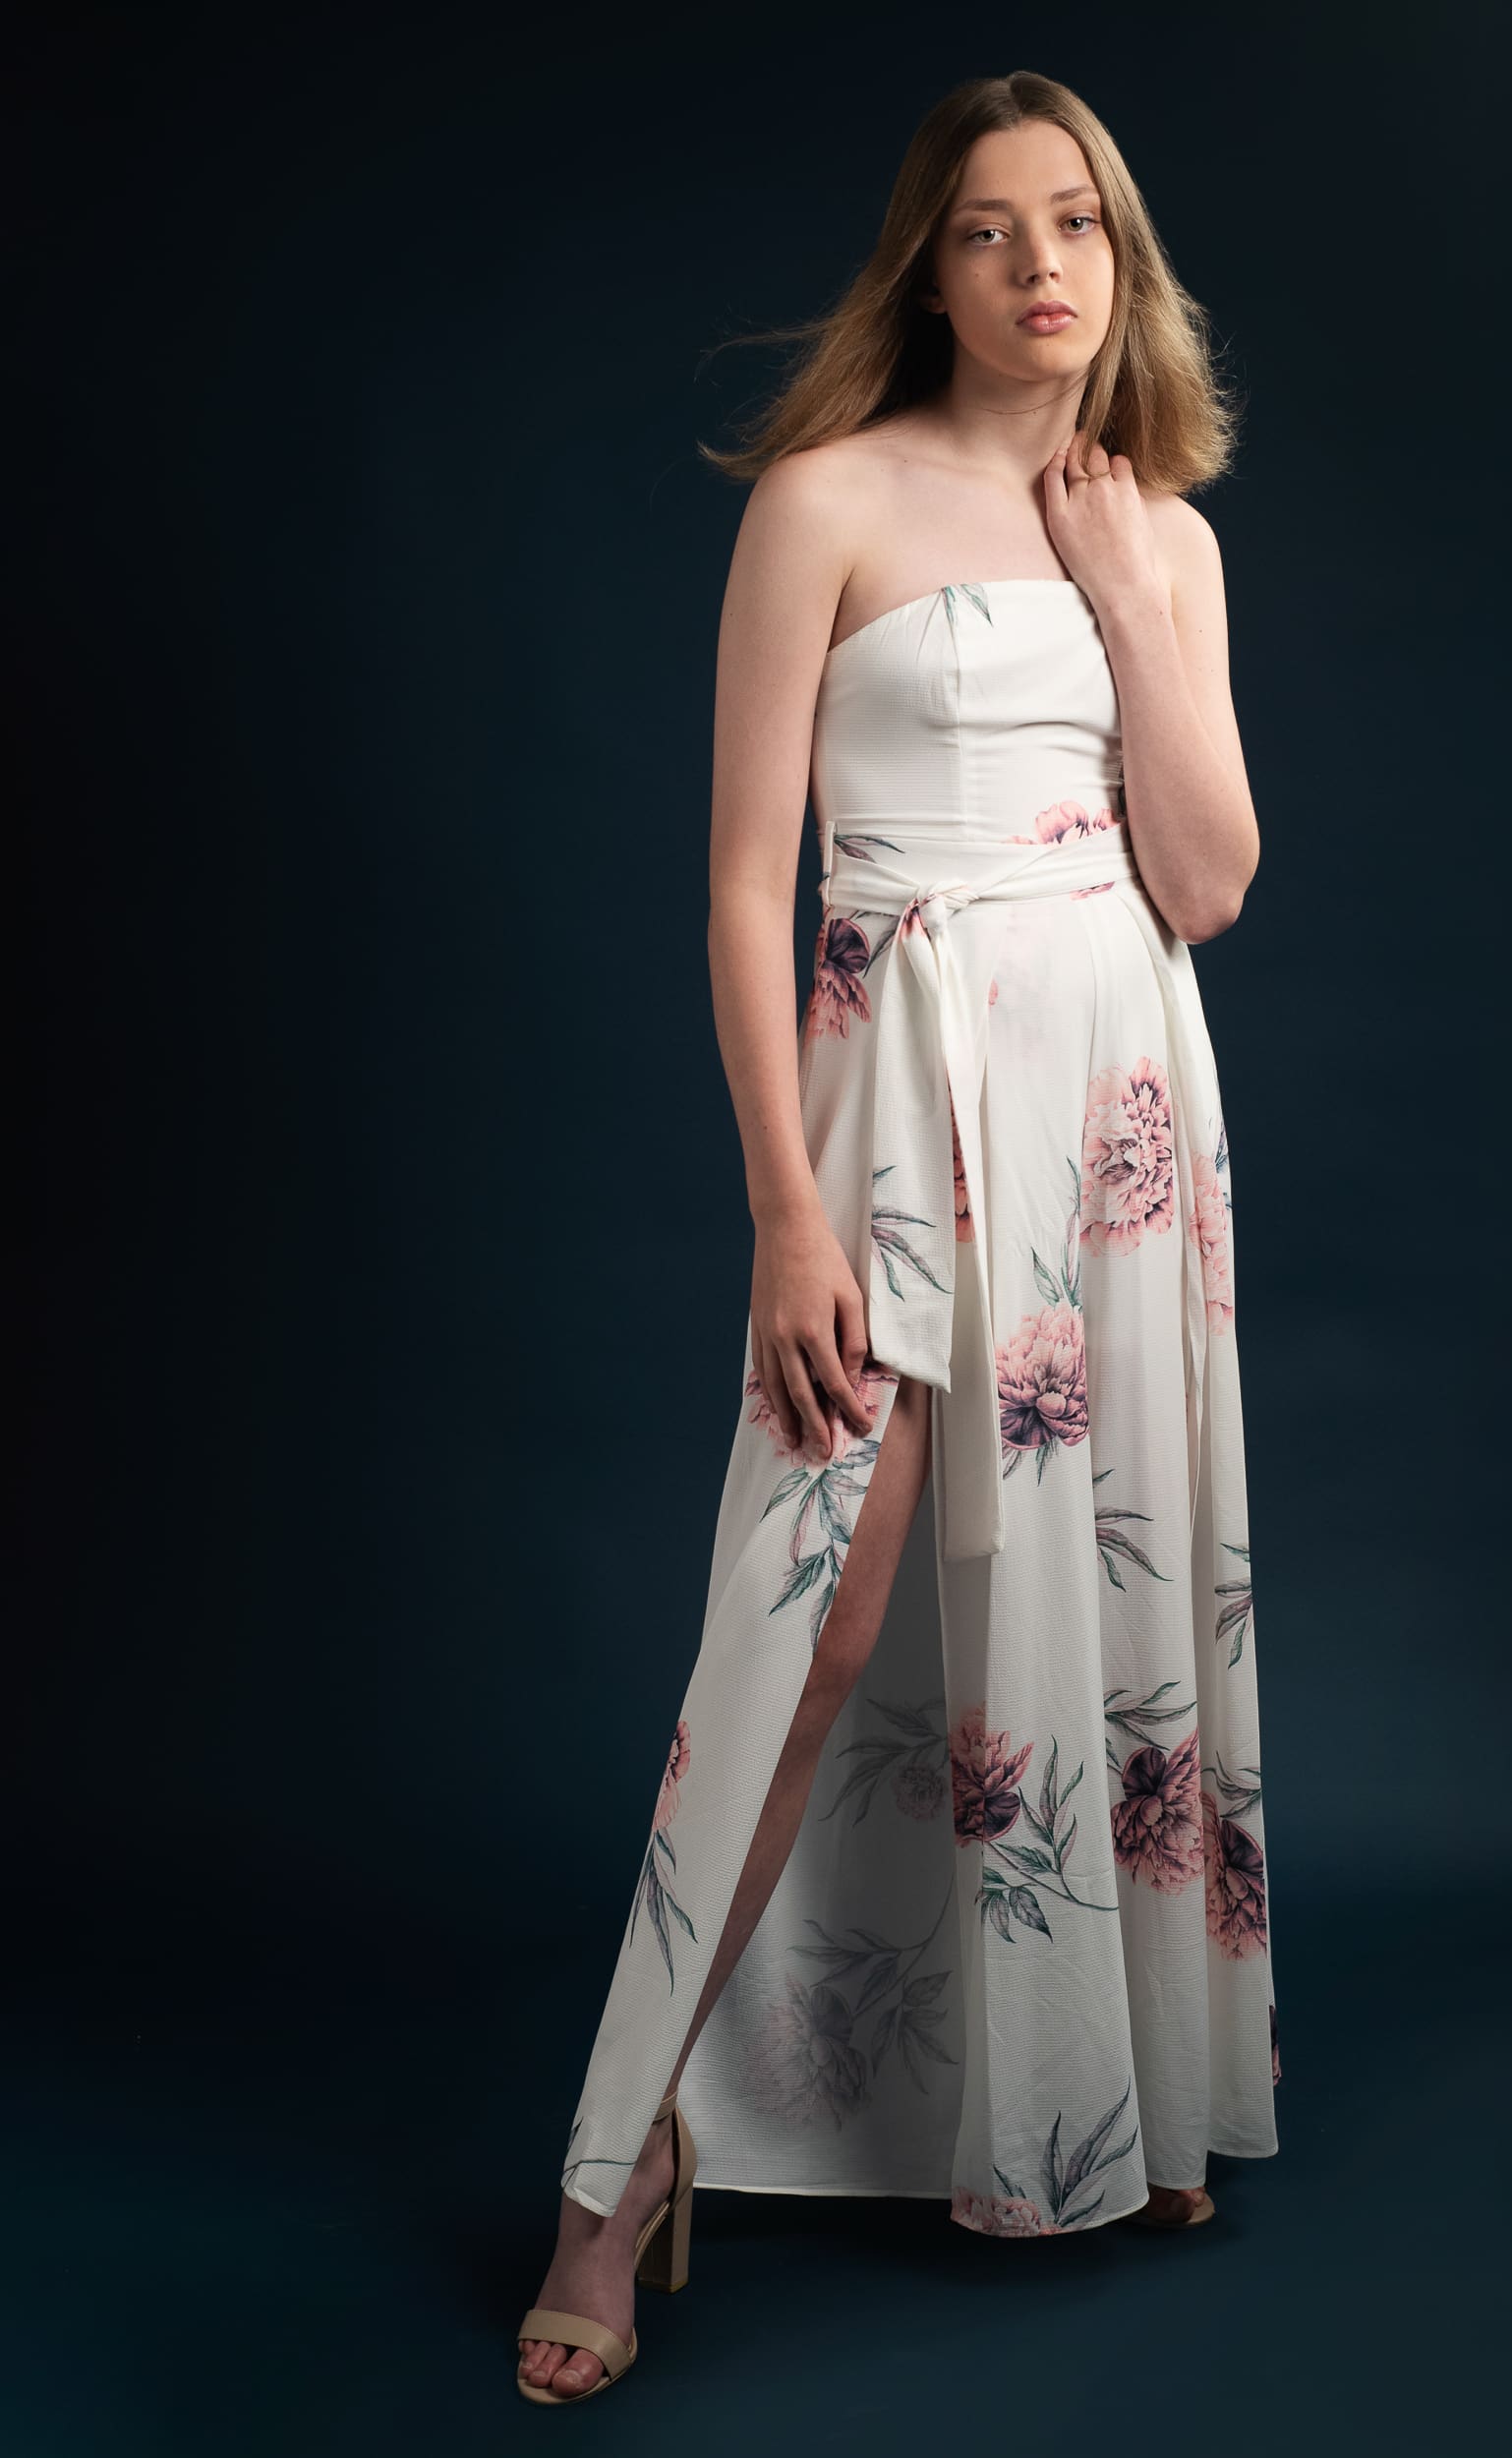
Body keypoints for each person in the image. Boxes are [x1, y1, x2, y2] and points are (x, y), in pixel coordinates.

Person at [517, 68, 1277, 2407]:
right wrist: (781, 1202)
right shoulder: (823, 502)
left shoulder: (1162, 529)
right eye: (986, 229)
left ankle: (1109, 2093)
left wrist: (1134, 593)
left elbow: (1212, 881)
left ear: (1121, 263)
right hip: (892, 1098)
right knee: (822, 1606)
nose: (1038, 266)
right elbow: (749, 884)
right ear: (924, 266)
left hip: (1115, 1108)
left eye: (1076, 226)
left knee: (1115, 1572)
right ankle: (611, 2171)